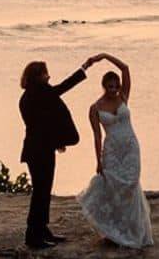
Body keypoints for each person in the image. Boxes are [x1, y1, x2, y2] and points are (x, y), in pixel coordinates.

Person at [18, 55, 101, 249]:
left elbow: (43, 123)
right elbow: (64, 87)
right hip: (39, 151)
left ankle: (42, 230)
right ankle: (33, 235)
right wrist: (84, 67)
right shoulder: (40, 93)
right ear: (37, 77)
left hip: (37, 149)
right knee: (41, 192)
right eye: (45, 73)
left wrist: (56, 141)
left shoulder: (28, 96)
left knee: (43, 191)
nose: (48, 76)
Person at [76, 52, 153, 247]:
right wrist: (98, 160)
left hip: (130, 147)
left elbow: (125, 68)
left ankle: (133, 230)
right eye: (110, 86)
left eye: (116, 86)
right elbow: (97, 135)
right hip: (111, 150)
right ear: (104, 86)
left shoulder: (123, 97)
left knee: (130, 185)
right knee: (113, 188)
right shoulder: (95, 108)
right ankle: (114, 230)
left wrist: (103, 56)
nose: (114, 89)